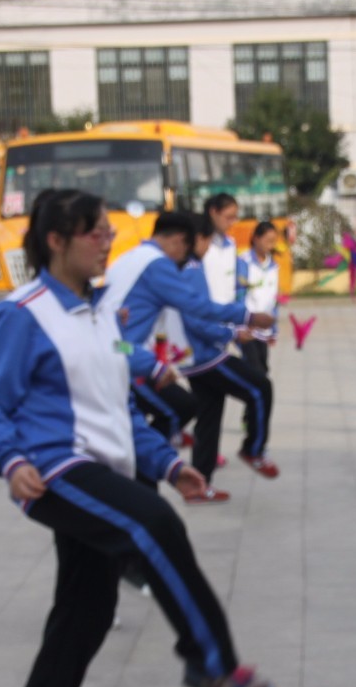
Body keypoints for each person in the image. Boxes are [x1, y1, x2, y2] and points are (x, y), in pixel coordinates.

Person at [0, 190, 275, 687]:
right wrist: (11, 461)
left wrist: (168, 464)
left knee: (88, 608)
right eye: (95, 232)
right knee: (153, 521)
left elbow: (117, 407)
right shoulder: (23, 313)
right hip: (56, 469)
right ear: (56, 241)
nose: (108, 240)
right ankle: (210, 659)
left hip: (104, 465)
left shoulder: (101, 312)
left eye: (108, 230)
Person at [101, 211, 276, 504]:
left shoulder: (130, 257)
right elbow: (196, 307)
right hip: (121, 357)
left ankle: (156, 478)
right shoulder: (158, 264)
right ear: (181, 241)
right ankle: (151, 467)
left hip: (119, 353)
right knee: (178, 409)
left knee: (187, 409)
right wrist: (246, 317)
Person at [176, 213, 278, 490]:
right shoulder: (192, 271)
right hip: (205, 356)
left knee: (209, 417)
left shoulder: (184, 267)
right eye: (207, 240)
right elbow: (196, 319)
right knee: (260, 388)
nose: (209, 247)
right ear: (197, 238)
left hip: (192, 356)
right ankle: (253, 449)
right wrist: (233, 330)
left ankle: (200, 482)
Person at [236, 219, 282, 377]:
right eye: (267, 240)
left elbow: (274, 299)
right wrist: (241, 324)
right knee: (255, 371)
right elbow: (239, 295)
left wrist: (274, 329)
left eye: (274, 241)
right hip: (248, 326)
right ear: (256, 238)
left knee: (263, 368)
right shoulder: (243, 262)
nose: (271, 245)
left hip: (265, 326)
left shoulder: (274, 266)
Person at [201, 192, 242, 306]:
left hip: (228, 316)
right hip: (208, 314)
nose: (232, 223)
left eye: (235, 218)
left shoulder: (231, 244)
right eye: (228, 217)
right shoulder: (200, 245)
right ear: (213, 212)